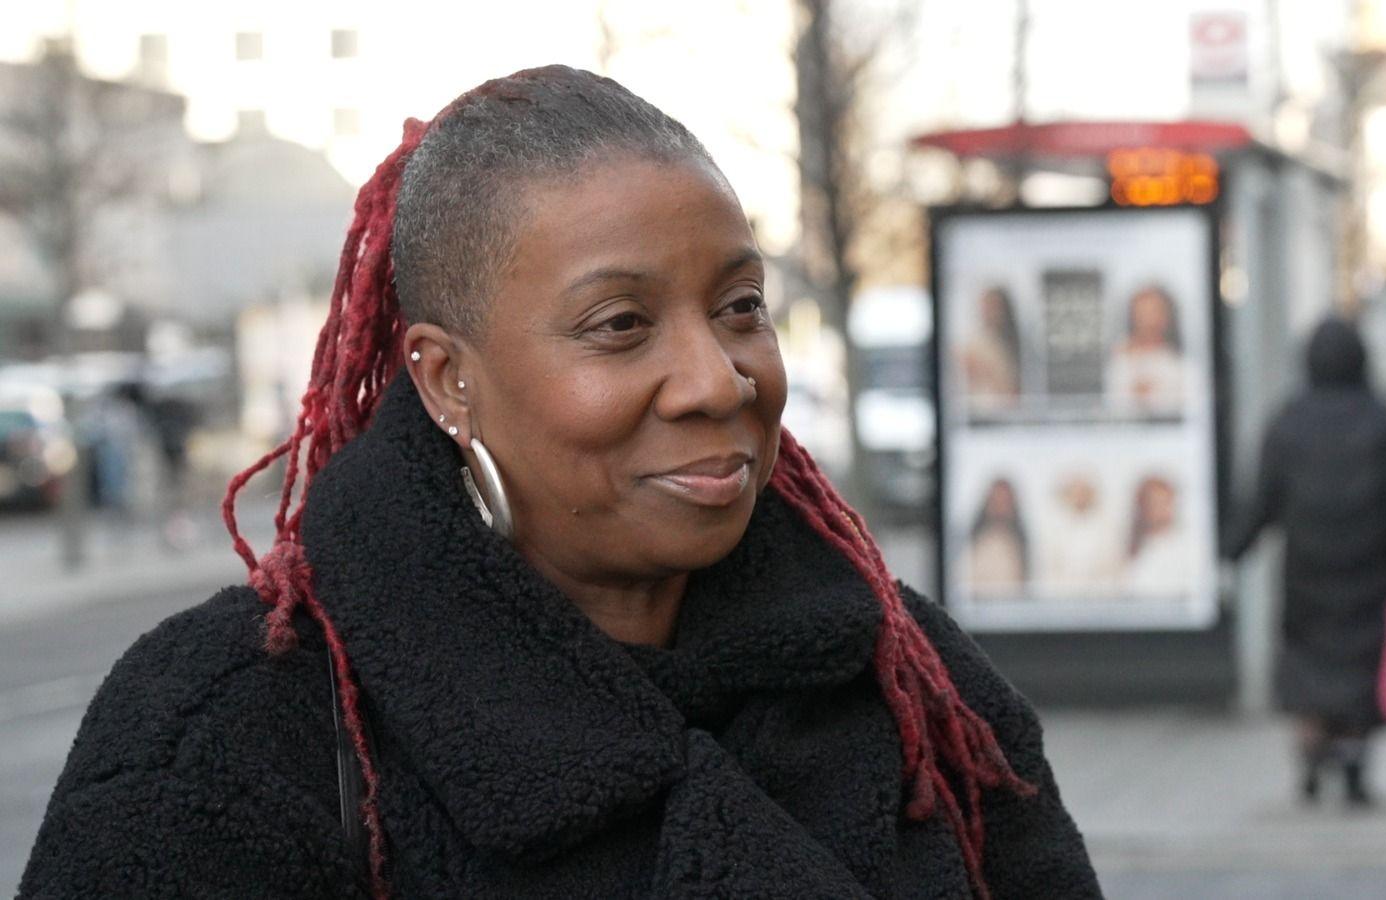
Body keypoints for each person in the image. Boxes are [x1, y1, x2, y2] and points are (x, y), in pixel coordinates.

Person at [20, 67, 1099, 899]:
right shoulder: (234, 730)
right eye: (619, 326)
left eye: (739, 306)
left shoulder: (910, 679)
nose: (716, 377)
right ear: (447, 379)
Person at [1224, 318, 1386, 808]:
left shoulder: (1286, 422)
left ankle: (1311, 750)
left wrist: (1232, 550)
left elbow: (1262, 501)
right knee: (1361, 668)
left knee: (1309, 666)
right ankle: (1356, 762)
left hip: (1306, 573)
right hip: (1369, 570)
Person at [1105, 284, 1184, 416]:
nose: (1147, 320)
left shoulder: (1178, 361)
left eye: (1154, 311)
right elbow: (1114, 402)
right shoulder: (1120, 358)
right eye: (1141, 312)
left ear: (1166, 316)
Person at [1122, 474, 1192, 597]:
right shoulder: (1129, 546)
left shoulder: (1185, 549)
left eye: (1163, 502)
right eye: (1151, 502)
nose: (1156, 509)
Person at [962, 285, 1024, 406]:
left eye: (994, 307)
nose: (989, 312)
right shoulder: (976, 344)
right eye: (986, 307)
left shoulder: (1015, 344)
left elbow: (1014, 387)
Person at [967, 476, 1030, 593]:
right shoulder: (977, 543)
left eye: (1005, 501)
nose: (1001, 507)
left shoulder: (1019, 543)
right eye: (997, 501)